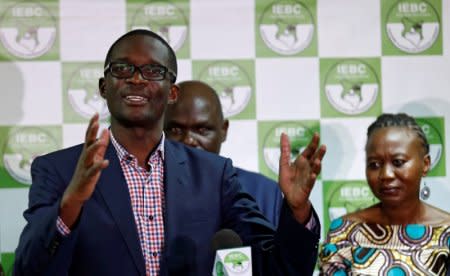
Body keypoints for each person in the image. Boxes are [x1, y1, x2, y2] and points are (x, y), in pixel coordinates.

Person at [13, 29, 326, 276]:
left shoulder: (213, 174)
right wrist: (70, 206)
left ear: (172, 92)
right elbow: (29, 269)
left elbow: (277, 268)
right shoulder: (57, 170)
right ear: (103, 87)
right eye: (122, 69)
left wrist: (297, 212)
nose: (136, 79)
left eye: (152, 71)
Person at [319, 113, 450, 276]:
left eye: (398, 162)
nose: (386, 174)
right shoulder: (345, 232)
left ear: (425, 164)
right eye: (374, 164)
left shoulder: (446, 230)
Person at [164, 80, 283, 226]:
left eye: (202, 130)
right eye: (175, 130)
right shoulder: (146, 191)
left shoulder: (262, 191)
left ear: (224, 130)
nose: (189, 140)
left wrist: (300, 212)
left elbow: (281, 248)